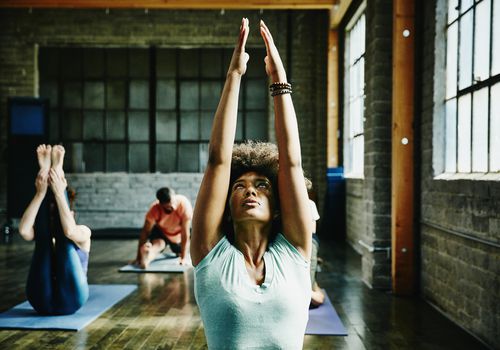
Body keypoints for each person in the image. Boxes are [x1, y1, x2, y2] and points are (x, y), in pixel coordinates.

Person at [191, 18, 313, 349]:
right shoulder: (209, 256)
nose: (250, 191)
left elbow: (290, 162)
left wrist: (279, 81)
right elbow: (218, 160)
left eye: (262, 186)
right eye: (239, 186)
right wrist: (234, 76)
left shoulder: (295, 253)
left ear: (277, 209)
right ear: (226, 209)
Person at [18, 144, 91, 315]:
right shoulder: (42, 233)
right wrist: (40, 194)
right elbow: (23, 231)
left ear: (71, 212)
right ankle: (48, 173)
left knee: (65, 240)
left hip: (73, 298)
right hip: (40, 300)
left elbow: (69, 232)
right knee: (44, 240)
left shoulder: (83, 232)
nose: (52, 218)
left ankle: (57, 172)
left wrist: (59, 192)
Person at [133, 187, 192, 268]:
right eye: (168, 207)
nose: (172, 208)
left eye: (173, 203)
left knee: (179, 252)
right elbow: (145, 232)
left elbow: (185, 233)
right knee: (158, 245)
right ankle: (147, 255)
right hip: (161, 232)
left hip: (177, 236)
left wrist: (184, 258)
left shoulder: (184, 204)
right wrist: (138, 257)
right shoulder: (155, 209)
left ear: (174, 197)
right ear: (160, 204)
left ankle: (150, 253)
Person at [305, 179, 325, 307]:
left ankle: (313, 285)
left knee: (315, 298)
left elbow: (312, 233)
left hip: (309, 239)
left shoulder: (310, 204)